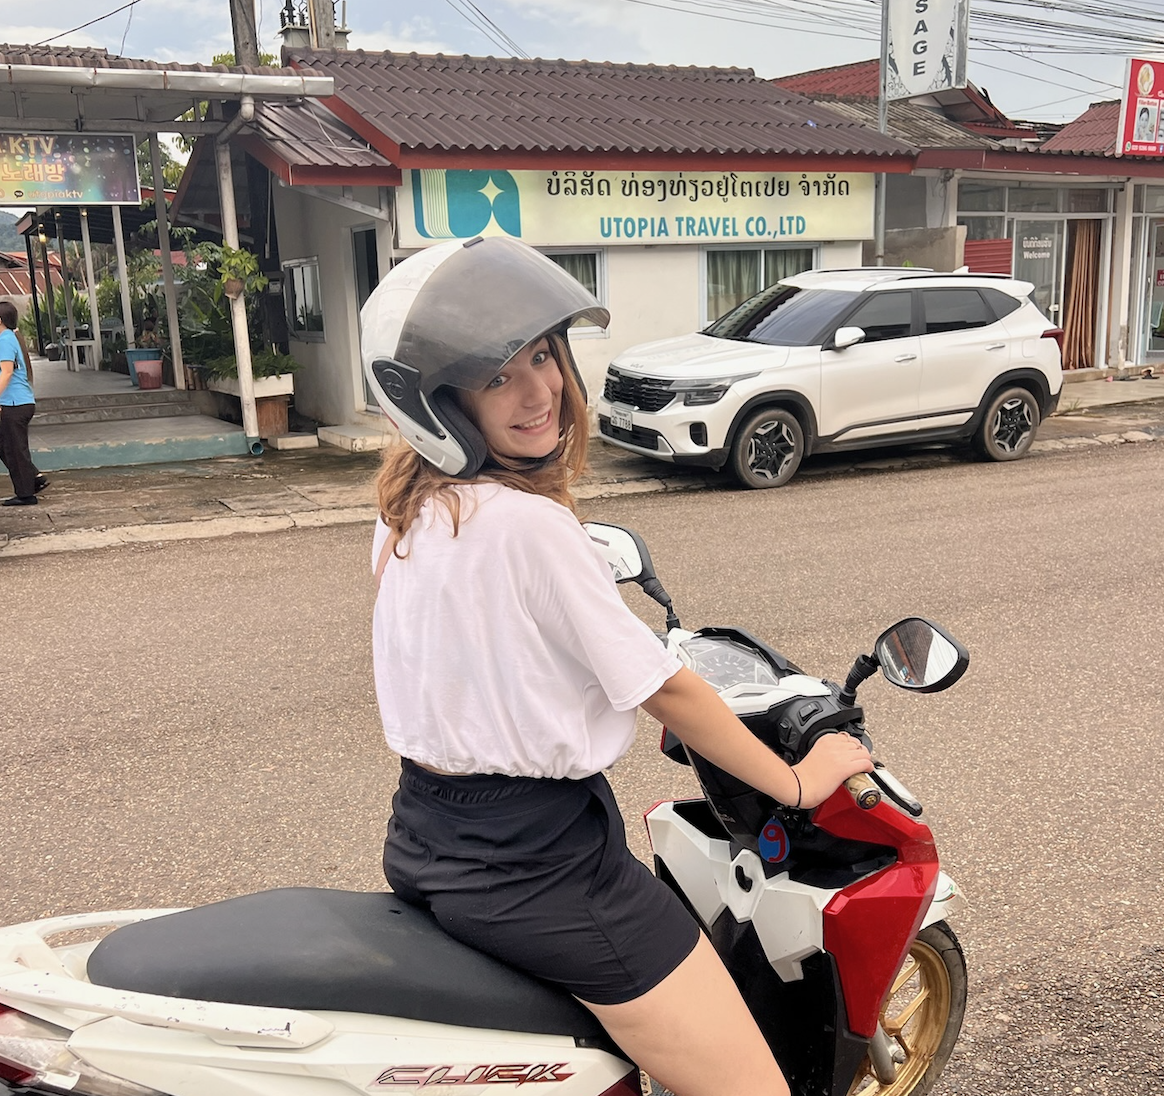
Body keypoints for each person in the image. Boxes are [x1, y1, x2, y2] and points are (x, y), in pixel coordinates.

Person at [362, 237, 873, 1096]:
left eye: (541, 356)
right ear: (438, 402)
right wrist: (798, 781)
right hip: (545, 867)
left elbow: (485, 652)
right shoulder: (528, 526)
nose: (540, 390)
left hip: (426, 835)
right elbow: (667, 691)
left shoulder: (407, 511)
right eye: (498, 377)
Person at [0, 300, 48, 506]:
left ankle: (26, 494)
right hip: (16, 402)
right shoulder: (10, 338)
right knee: (5, 446)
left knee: (15, 449)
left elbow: (7, 372)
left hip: (15, 404)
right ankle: (33, 478)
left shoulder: (5, 340)